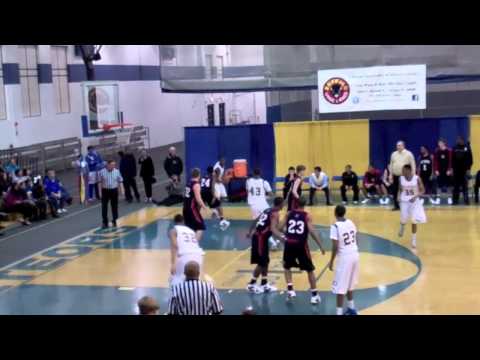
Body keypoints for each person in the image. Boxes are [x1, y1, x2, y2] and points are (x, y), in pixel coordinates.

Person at [278, 196, 326, 304]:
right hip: (301, 245)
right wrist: (320, 245)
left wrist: (289, 234)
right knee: (309, 270)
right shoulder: (307, 215)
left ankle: (290, 291)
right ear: (305, 204)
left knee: (287, 266)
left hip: (289, 244)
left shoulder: (288, 214)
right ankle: (314, 295)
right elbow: (312, 231)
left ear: (295, 204)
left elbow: (279, 228)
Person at [245, 196, 285, 294]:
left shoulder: (267, 210)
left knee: (265, 261)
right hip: (260, 238)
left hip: (260, 237)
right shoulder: (275, 214)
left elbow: (256, 220)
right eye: (283, 204)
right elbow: (273, 229)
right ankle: (251, 284)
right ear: (280, 205)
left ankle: (264, 284)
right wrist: (283, 239)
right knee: (261, 262)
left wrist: (250, 232)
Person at [328, 205, 360, 315]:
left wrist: (331, 261)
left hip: (345, 257)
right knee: (350, 284)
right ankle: (352, 308)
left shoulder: (335, 226)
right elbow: (356, 238)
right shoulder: (351, 222)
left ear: (335, 213)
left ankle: (339, 312)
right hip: (355, 254)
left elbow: (335, 246)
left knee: (340, 288)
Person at [169, 214, 205, 287]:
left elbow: (175, 246)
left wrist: (173, 264)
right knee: (194, 280)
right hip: (198, 256)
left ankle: (178, 296)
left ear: (174, 222)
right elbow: (197, 240)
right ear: (184, 222)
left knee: (176, 279)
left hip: (185, 256)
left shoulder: (173, 230)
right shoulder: (190, 231)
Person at [246, 168, 277, 248]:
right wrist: (264, 196)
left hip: (254, 205)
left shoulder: (248, 181)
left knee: (258, 223)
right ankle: (273, 240)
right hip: (264, 205)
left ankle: (256, 236)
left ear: (253, 173)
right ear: (260, 173)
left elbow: (248, 191)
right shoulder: (264, 182)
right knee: (268, 223)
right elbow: (271, 195)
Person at [398, 164, 427, 249]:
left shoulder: (417, 178)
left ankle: (414, 240)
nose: (402, 172)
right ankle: (402, 225)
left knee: (414, 220)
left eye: (404, 170)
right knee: (404, 218)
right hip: (404, 201)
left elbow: (423, 190)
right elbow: (400, 190)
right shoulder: (401, 179)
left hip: (414, 202)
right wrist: (398, 196)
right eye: (402, 170)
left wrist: (416, 196)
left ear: (409, 171)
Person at [389, 141, 416, 211]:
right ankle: (396, 206)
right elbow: (391, 165)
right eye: (397, 145)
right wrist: (390, 175)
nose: (398, 147)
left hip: (405, 176)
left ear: (403, 146)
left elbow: (413, 164)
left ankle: (408, 206)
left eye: (400, 145)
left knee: (406, 191)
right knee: (395, 191)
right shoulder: (393, 154)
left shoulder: (409, 154)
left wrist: (413, 175)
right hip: (395, 175)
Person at [183, 168, 209, 242]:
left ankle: (188, 246)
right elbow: (198, 199)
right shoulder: (196, 184)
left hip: (185, 208)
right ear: (199, 175)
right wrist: (205, 207)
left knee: (190, 228)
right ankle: (194, 247)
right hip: (192, 209)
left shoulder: (188, 183)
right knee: (201, 226)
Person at [200, 166, 230, 230]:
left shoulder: (203, 177)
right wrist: (214, 197)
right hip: (208, 193)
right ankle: (222, 221)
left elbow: (201, 186)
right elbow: (212, 188)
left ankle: (195, 218)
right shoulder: (212, 177)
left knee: (199, 206)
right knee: (219, 206)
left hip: (202, 193)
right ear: (212, 171)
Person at [98, 160, 124, 229]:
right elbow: (99, 182)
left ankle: (115, 220)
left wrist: (122, 191)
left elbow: (120, 181)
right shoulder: (101, 172)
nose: (113, 166)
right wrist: (100, 192)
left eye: (114, 165)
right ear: (108, 165)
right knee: (104, 207)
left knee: (114, 206)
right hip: (105, 191)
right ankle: (105, 222)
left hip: (114, 190)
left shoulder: (117, 171)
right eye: (112, 165)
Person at [452, 136, 473, 205]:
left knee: (465, 187)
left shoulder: (467, 148)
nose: (459, 141)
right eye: (458, 140)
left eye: (461, 140)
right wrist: (452, 169)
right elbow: (452, 160)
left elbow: (470, 159)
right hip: (456, 171)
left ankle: (466, 201)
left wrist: (468, 169)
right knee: (456, 187)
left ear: (463, 141)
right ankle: (455, 201)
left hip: (464, 170)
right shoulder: (454, 148)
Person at [433, 139, 453, 205]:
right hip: (439, 171)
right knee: (439, 186)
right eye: (439, 143)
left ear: (444, 143)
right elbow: (435, 161)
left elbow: (450, 161)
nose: (439, 144)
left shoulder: (449, 151)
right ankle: (438, 199)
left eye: (441, 143)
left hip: (447, 171)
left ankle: (449, 198)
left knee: (448, 186)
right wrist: (436, 170)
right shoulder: (437, 151)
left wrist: (449, 170)